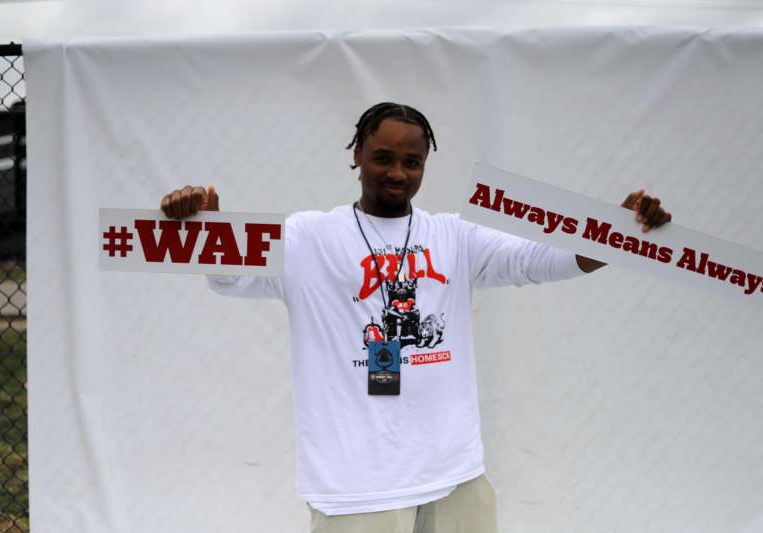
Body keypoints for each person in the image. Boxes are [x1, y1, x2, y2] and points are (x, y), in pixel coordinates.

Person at [160, 102, 671, 533]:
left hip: (455, 476)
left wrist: (615, 233)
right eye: (382, 158)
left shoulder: (454, 236)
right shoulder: (308, 237)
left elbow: (541, 260)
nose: (398, 173)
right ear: (356, 155)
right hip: (356, 487)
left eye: (413, 161)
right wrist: (202, 228)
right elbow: (230, 276)